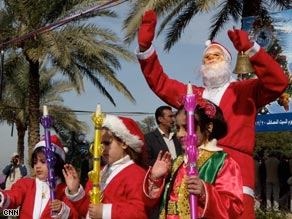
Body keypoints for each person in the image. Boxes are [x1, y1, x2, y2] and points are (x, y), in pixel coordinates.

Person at [136, 10, 289, 219]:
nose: (210, 60)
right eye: (206, 57)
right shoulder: (194, 96)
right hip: (196, 168)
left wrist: (252, 49)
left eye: (216, 56)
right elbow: (161, 83)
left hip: (237, 172)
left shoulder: (246, 90)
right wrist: (146, 51)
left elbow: (278, 82)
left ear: (227, 62)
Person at [143, 99, 244, 218]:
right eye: (178, 128)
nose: (179, 134)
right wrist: (156, 179)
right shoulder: (177, 162)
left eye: (186, 128)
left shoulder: (222, 162)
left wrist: (205, 192)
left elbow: (234, 208)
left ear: (209, 127)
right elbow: (154, 204)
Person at [63, 115, 149, 219]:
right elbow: (88, 211)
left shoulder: (136, 174)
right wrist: (75, 190)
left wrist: (105, 211)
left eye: (107, 143)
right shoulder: (98, 172)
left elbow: (140, 213)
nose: (102, 149)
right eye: (100, 144)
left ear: (124, 143)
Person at [0, 135, 79, 219]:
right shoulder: (26, 184)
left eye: (43, 161)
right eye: (35, 162)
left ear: (56, 163)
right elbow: (13, 197)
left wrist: (63, 211)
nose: (37, 166)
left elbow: (75, 215)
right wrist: (2, 198)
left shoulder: (65, 191)